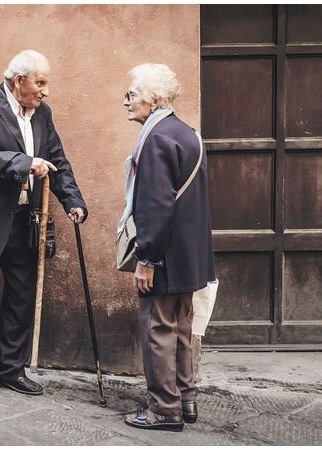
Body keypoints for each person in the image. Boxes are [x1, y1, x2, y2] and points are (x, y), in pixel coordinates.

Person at [0, 49, 88, 402]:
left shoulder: (43, 114)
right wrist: (24, 163)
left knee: (21, 298)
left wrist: (74, 201)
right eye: (40, 82)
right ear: (18, 80)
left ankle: (9, 368)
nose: (46, 90)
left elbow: (57, 160)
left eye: (46, 83)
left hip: (24, 221)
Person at [119, 63, 216, 431]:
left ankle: (164, 409)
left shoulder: (157, 137)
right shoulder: (187, 132)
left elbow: (156, 205)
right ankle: (186, 399)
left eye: (132, 94)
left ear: (154, 98)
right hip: (188, 256)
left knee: (158, 328)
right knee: (181, 327)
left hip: (164, 256)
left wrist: (147, 258)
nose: (126, 100)